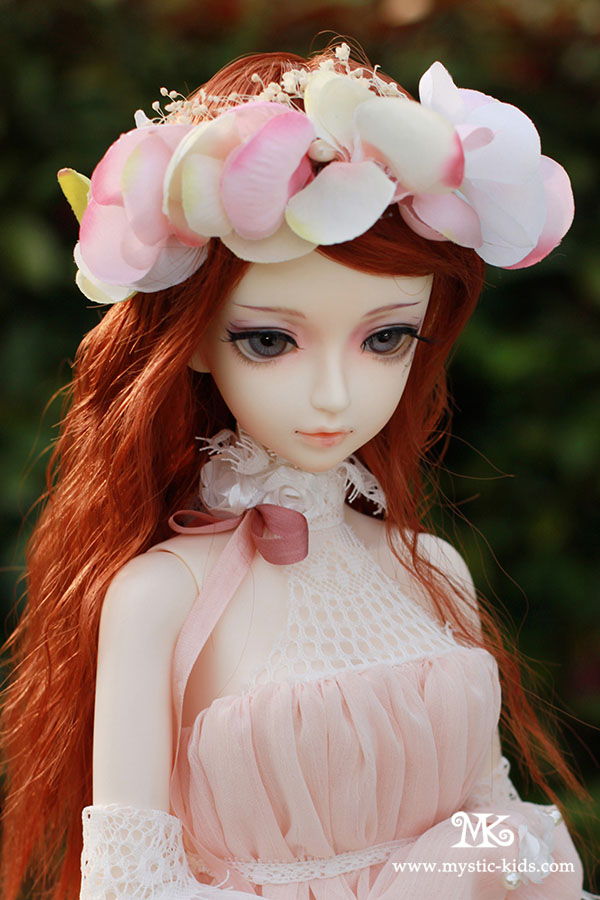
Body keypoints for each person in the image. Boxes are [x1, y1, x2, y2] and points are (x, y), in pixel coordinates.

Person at [0, 41, 596, 900]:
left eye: (386, 337)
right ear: (194, 339)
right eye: (269, 340)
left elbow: (491, 823)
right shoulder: (161, 596)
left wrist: (478, 863)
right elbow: (131, 885)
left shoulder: (432, 571)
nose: (334, 395)